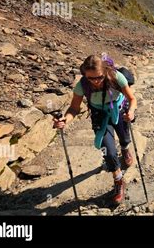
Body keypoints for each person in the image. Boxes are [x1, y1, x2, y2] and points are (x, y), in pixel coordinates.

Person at [52, 55, 137, 205]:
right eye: (90, 78)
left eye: (98, 77)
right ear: (85, 75)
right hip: (100, 116)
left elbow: (132, 99)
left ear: (105, 71)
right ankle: (118, 181)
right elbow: (74, 108)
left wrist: (131, 112)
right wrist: (65, 120)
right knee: (108, 151)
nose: (95, 81)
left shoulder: (116, 77)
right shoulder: (82, 85)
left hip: (119, 110)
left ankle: (124, 148)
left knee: (124, 138)